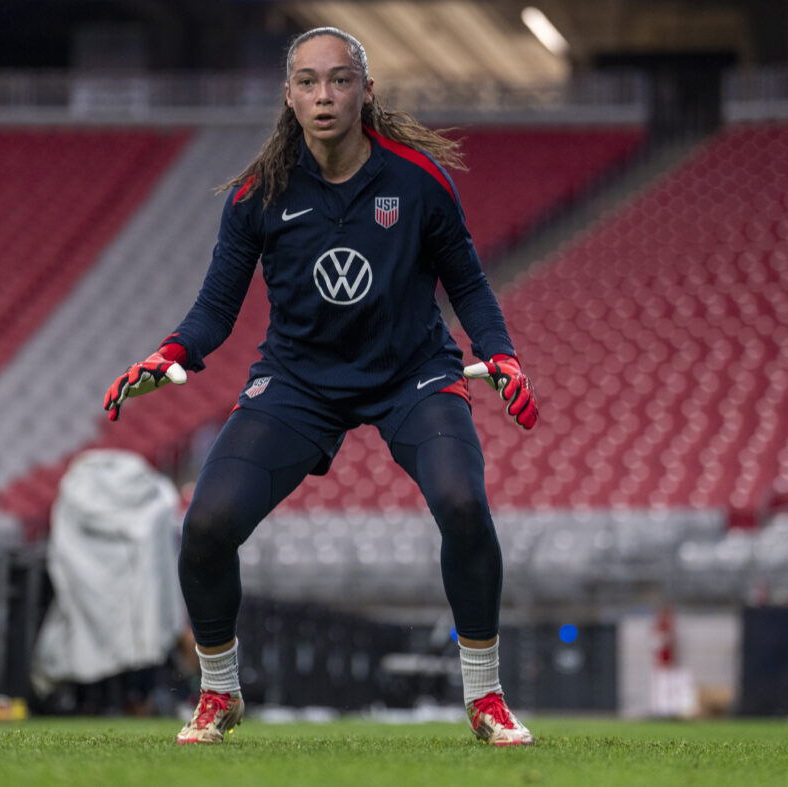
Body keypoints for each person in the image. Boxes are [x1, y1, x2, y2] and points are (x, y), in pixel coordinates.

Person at [104, 26, 539, 747]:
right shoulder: (258, 195)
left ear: (366, 90)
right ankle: (218, 691)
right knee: (205, 526)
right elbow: (216, 308)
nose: (324, 95)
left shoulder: (419, 180)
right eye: (308, 82)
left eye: (339, 80)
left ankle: (485, 695)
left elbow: (467, 282)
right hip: (300, 382)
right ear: (289, 96)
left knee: (464, 505)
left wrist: (503, 356)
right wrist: (171, 353)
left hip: (414, 374)